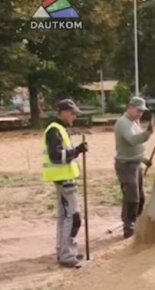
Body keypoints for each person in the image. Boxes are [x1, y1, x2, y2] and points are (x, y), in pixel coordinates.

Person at [42, 99, 88, 268]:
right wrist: (77, 150)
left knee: (65, 217)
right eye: (72, 113)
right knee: (73, 218)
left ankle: (65, 251)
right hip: (64, 180)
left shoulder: (59, 129)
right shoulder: (55, 130)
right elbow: (56, 156)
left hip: (65, 179)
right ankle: (67, 255)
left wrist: (75, 150)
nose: (75, 116)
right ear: (63, 112)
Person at [113, 96, 153, 238]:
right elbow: (132, 140)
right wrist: (147, 133)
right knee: (132, 196)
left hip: (136, 164)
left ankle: (136, 221)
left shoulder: (134, 122)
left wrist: (144, 159)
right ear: (130, 107)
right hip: (125, 166)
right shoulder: (123, 123)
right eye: (138, 110)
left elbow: (135, 148)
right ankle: (128, 226)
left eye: (142, 111)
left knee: (140, 197)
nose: (140, 113)